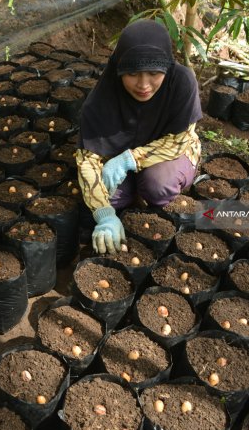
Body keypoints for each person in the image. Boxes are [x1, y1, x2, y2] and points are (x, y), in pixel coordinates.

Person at [75, 19, 203, 255]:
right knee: (102, 199)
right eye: (132, 73)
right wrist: (104, 215)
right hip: (118, 155)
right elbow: (87, 160)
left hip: (168, 153)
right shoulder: (102, 98)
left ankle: (153, 198)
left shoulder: (182, 82)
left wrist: (128, 159)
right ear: (119, 69)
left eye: (154, 73)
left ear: (166, 66)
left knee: (157, 185)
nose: (143, 85)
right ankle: (129, 196)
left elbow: (179, 141)